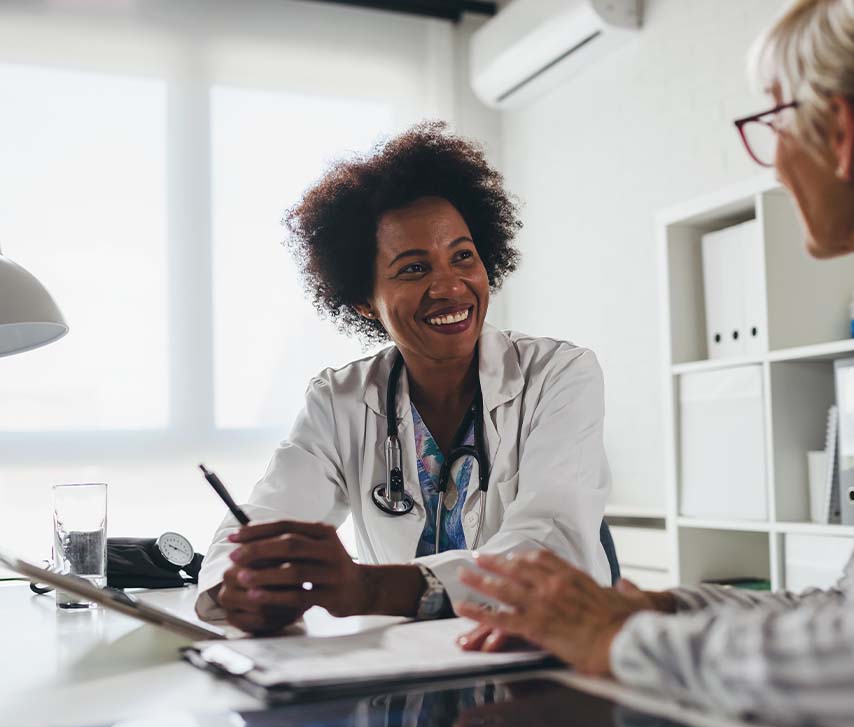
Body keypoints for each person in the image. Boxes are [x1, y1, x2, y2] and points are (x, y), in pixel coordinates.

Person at [457, 0, 854, 727]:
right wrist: (661, 613)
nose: (775, 159)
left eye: (774, 123)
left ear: (842, 133)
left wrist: (618, 642)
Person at [196, 122, 611, 634]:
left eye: (463, 256)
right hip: (410, 678)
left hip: (547, 657)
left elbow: (550, 543)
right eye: (414, 269)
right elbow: (264, 516)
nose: (450, 286)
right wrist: (239, 586)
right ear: (364, 301)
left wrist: (369, 588)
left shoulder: (559, 375)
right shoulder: (340, 399)